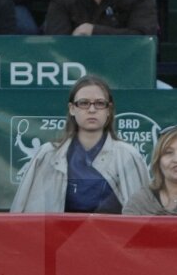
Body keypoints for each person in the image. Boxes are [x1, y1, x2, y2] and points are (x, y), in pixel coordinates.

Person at [10, 75, 148, 213]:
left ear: (109, 109)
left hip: (114, 234)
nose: (92, 109)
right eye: (83, 103)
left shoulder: (128, 156)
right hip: (59, 234)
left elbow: (144, 217)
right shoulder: (48, 155)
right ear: (72, 108)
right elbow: (25, 215)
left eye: (100, 103)